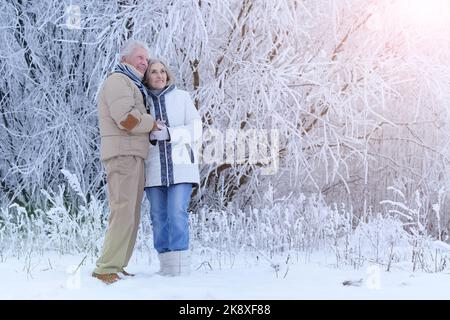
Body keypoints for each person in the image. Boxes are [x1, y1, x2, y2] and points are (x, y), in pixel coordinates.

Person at [93, 40, 158, 284]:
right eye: (139, 57)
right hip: (122, 154)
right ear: (124, 60)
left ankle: (116, 265)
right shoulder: (117, 81)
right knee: (122, 211)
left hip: (132, 154)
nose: (144, 62)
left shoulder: (131, 83)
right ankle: (105, 267)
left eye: (146, 58)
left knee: (130, 213)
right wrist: (150, 122)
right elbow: (126, 121)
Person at [143, 59, 202, 276]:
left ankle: (180, 269)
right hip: (153, 169)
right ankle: (166, 267)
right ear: (147, 77)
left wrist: (170, 133)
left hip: (181, 167)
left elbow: (197, 129)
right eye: (154, 72)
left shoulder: (182, 97)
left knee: (176, 212)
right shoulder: (142, 100)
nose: (159, 76)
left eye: (162, 71)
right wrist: (148, 136)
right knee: (158, 216)